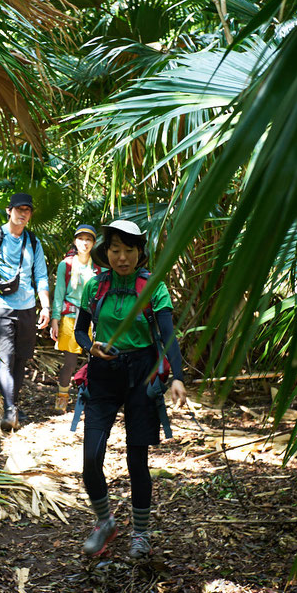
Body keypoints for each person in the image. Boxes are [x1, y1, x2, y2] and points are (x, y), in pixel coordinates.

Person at [72, 219, 187, 560]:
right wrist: (90, 347)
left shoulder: (154, 287)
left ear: (140, 253)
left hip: (142, 375)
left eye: (129, 250)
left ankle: (141, 533)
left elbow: (167, 336)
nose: (122, 257)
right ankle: (104, 521)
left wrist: (177, 376)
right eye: (116, 250)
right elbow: (80, 331)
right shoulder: (95, 286)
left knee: (137, 459)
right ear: (106, 252)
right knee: (91, 457)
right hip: (102, 372)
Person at [0, 193, 51, 432]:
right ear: (9, 210)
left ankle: (13, 406)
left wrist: (45, 306)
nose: (23, 213)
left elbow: (41, 276)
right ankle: (9, 410)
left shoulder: (33, 242)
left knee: (21, 358)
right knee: (6, 357)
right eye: (19, 209)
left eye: (27, 210)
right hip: (0, 305)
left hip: (27, 307)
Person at [50, 224, 100, 412]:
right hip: (71, 317)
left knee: (94, 361)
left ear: (94, 243)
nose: (84, 243)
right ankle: (61, 400)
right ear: (75, 241)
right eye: (81, 239)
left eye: (88, 239)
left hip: (93, 319)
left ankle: (92, 400)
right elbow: (59, 293)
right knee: (70, 362)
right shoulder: (67, 264)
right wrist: (55, 319)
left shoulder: (98, 267)